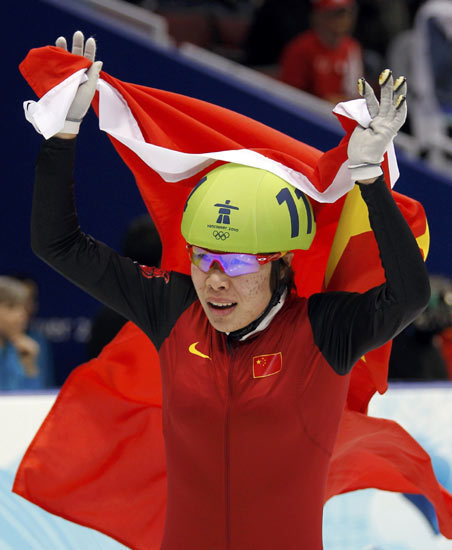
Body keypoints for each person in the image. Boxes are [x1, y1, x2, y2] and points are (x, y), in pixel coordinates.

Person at [26, 31, 429, 550]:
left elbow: (409, 295)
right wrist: (62, 136)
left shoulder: (325, 328)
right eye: (202, 258)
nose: (215, 279)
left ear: (281, 262)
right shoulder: (173, 306)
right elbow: (56, 244)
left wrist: (371, 178)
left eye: (237, 262)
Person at [279, 0, 363, 104]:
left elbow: (355, 95)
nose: (342, 20)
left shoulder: (352, 48)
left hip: (339, 115)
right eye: (335, 14)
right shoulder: (301, 48)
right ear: (318, 16)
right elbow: (289, 94)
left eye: (345, 15)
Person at [0, 276, 42, 390]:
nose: (22, 314)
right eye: (11, 307)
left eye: (23, 307)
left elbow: (34, 403)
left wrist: (30, 367)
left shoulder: (24, 350)